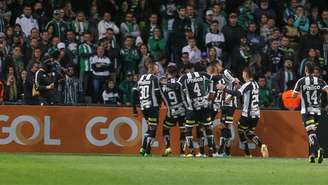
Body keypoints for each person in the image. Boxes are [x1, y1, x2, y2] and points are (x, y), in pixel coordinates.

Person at [217, 68, 269, 158]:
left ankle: (248, 154)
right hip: (256, 115)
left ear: (245, 74)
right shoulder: (255, 84)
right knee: (249, 133)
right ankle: (262, 145)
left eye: (243, 74)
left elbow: (238, 93)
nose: (242, 75)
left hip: (247, 114)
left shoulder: (247, 85)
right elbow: (244, 88)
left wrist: (224, 88)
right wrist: (239, 84)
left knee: (241, 131)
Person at [292, 62, 328, 163]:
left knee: (311, 132)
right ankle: (312, 155)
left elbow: (293, 96)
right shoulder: (320, 81)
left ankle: (319, 149)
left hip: (307, 111)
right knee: (312, 133)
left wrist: (300, 93)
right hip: (317, 112)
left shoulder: (301, 81)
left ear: (306, 70)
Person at [177, 67, 216, 157]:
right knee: (207, 127)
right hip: (204, 105)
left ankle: (191, 151)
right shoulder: (202, 74)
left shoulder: (184, 78)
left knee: (188, 129)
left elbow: (176, 86)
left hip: (192, 108)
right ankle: (211, 150)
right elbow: (212, 79)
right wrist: (211, 92)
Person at [132, 63, 161, 156]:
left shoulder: (141, 78)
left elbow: (134, 92)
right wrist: (159, 104)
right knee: (153, 128)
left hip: (143, 107)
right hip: (153, 106)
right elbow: (157, 93)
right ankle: (147, 151)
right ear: (153, 70)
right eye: (157, 69)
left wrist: (134, 108)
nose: (159, 71)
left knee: (150, 127)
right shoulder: (154, 78)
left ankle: (143, 148)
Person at [158, 65, 186, 157]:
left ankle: (168, 147)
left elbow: (160, 97)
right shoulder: (179, 81)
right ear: (175, 73)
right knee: (183, 131)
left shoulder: (162, 84)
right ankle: (182, 152)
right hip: (182, 110)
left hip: (171, 112)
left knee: (165, 128)